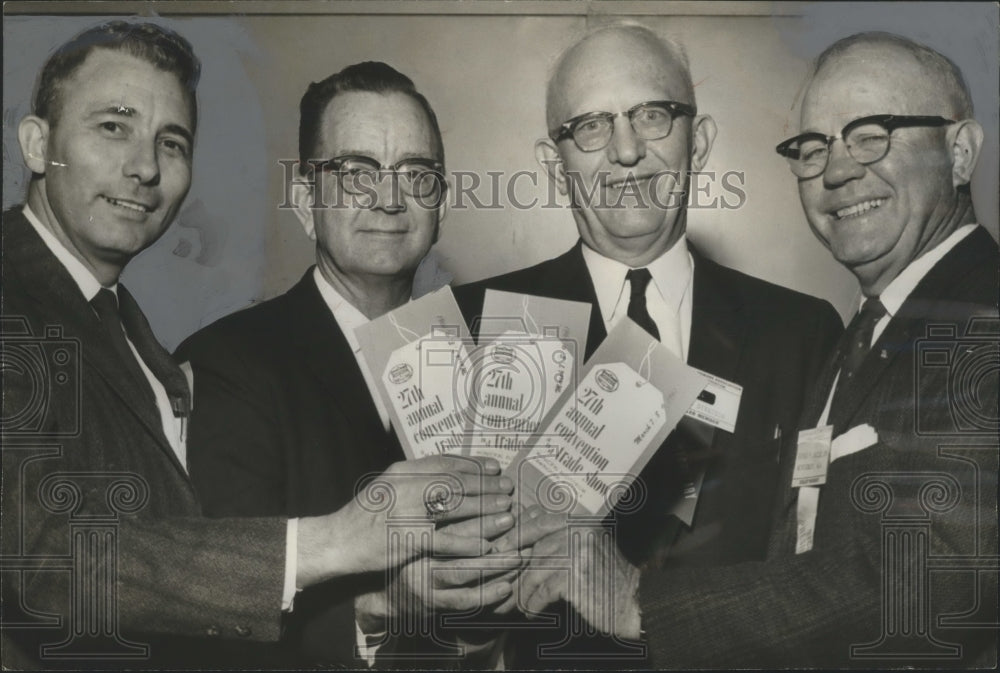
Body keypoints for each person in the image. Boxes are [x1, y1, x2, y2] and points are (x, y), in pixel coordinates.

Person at [0, 23, 512, 670]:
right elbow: (40, 559)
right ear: (37, 144)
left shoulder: (122, 327)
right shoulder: (223, 360)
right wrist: (340, 549)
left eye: (172, 142)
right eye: (113, 126)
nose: (145, 165)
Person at [515, 31, 998, 668]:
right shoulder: (867, 331)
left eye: (873, 134)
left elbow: (925, 577)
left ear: (960, 152)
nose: (839, 169)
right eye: (814, 147)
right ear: (556, 165)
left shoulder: (912, 323)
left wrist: (641, 602)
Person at [453, 24, 842, 665]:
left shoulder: (802, 332)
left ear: (701, 140)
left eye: (653, 115)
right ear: (555, 167)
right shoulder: (479, 329)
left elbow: (827, 574)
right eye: (591, 127)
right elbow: (439, 604)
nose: (626, 151)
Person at [175, 62, 522, 667]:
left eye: (416, 173)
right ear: (307, 201)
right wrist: (376, 607)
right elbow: (217, 604)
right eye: (356, 172)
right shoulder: (227, 365)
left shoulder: (490, 365)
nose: (389, 198)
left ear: (439, 203)